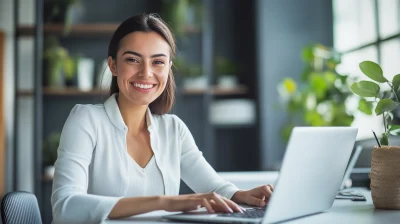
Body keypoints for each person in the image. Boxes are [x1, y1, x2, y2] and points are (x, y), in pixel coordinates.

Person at [51, 13, 274, 223]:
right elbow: (65, 206)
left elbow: (215, 187)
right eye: (133, 60)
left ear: (168, 68)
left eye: (158, 62)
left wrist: (243, 195)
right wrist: (164, 202)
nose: (146, 73)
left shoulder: (173, 130)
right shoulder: (86, 120)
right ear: (113, 65)